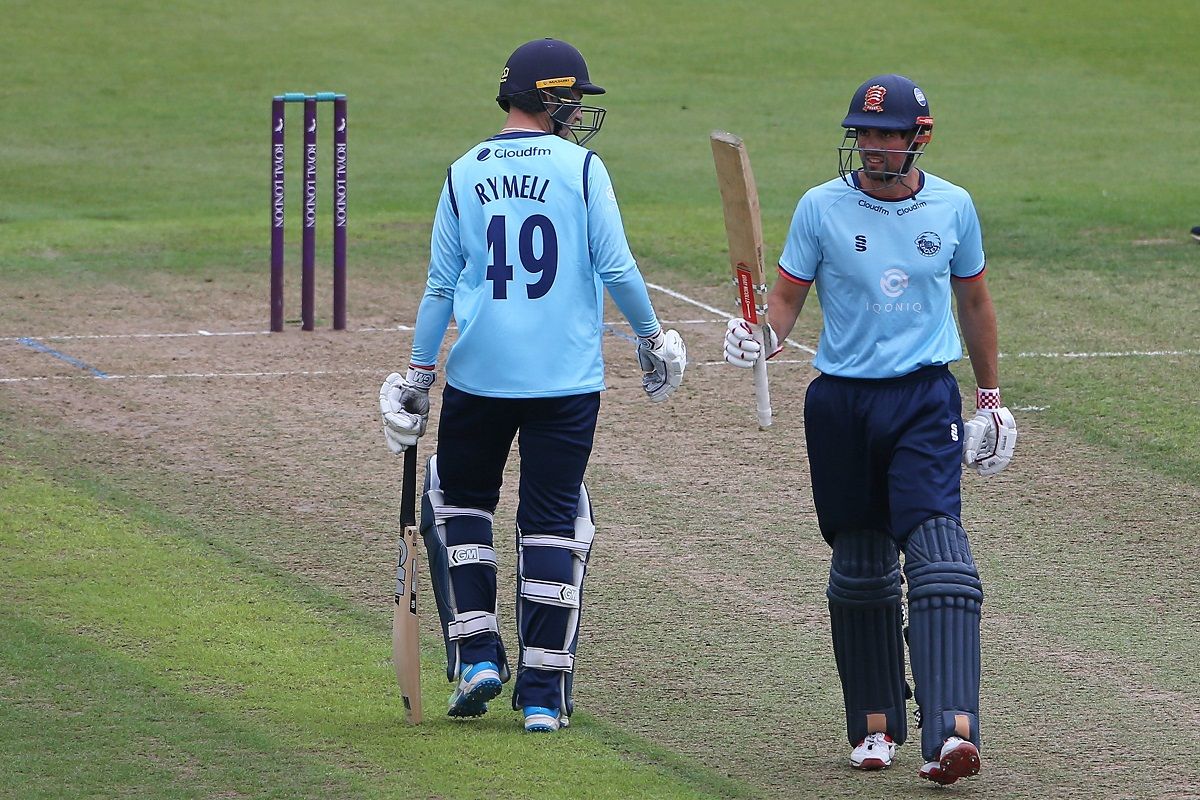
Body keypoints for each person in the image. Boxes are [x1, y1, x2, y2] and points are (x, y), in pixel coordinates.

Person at [379, 37, 686, 734]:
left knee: (459, 506)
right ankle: (544, 696)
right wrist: (651, 339)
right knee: (553, 521)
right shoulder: (582, 169)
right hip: (566, 381)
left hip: (480, 375)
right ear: (550, 100)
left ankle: (479, 653)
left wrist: (418, 378)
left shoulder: (464, 171)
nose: (578, 110)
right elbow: (617, 266)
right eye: (573, 97)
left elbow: (437, 287)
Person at [723, 74, 1016, 784]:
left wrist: (989, 398)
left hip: (922, 398)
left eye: (887, 135)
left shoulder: (953, 206)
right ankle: (876, 726)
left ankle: (950, 733)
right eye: (863, 133)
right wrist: (760, 338)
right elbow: (787, 300)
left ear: (920, 137)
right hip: (840, 403)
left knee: (940, 555)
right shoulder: (821, 208)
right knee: (859, 565)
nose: (872, 147)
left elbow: (974, 302)